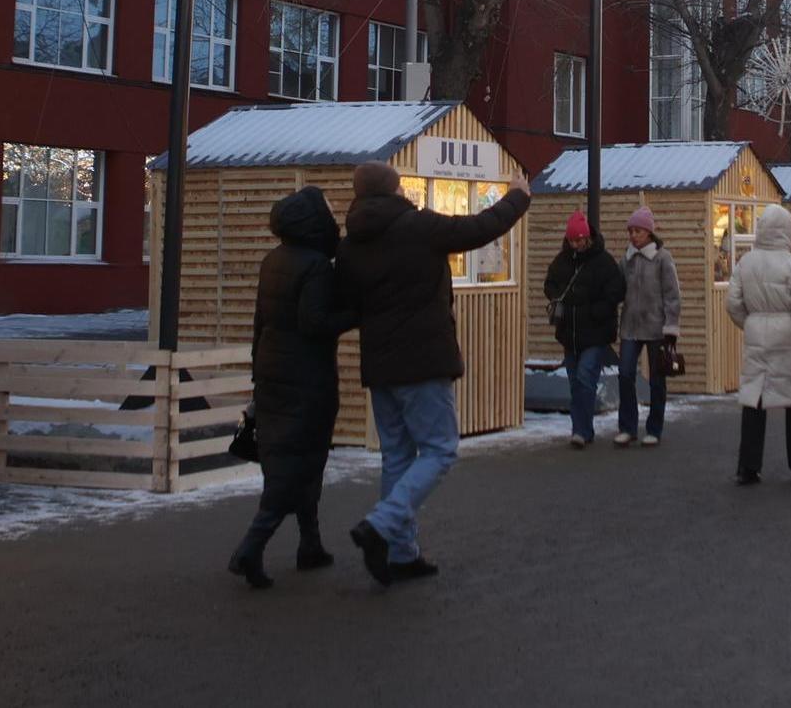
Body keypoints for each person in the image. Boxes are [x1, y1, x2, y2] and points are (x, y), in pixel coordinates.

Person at [337, 161, 532, 585]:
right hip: (423, 361)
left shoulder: (351, 243)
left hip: (381, 365)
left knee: (397, 456)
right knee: (440, 449)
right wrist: (517, 197)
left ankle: (400, 552)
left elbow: (347, 304)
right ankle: (381, 525)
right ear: (394, 190)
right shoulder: (417, 226)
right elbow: (478, 229)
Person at [232, 186, 356, 589]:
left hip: (273, 372)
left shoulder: (274, 259)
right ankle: (251, 547)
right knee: (301, 463)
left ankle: (310, 544)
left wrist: (258, 372)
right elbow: (314, 322)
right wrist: (356, 314)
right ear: (314, 222)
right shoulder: (316, 266)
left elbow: (261, 321)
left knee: (293, 459)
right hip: (307, 377)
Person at [728, 205, 791, 484]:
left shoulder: (746, 262)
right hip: (789, 335)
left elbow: (732, 303)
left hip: (757, 333)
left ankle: (748, 467)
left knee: (754, 399)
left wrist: (750, 323)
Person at [543, 211, 626, 450]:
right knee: (575, 383)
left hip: (596, 332)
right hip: (570, 333)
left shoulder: (604, 262)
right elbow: (549, 284)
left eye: (579, 240)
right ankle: (583, 429)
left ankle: (580, 430)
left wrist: (595, 311)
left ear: (587, 238)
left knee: (584, 378)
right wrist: (557, 297)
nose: (576, 244)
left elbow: (616, 292)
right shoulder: (562, 261)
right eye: (572, 240)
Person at [615, 207, 681, 447]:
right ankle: (627, 427)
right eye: (631, 231)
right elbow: (617, 289)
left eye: (638, 231)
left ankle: (654, 428)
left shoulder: (663, 258)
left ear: (649, 233)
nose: (633, 235)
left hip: (656, 328)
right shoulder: (627, 259)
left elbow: (672, 294)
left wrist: (671, 326)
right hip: (630, 327)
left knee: (656, 380)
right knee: (625, 375)